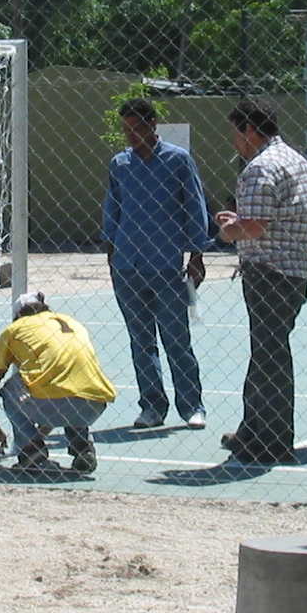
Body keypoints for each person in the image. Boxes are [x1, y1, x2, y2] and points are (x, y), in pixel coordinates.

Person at [214, 97, 307, 465]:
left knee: (270, 355)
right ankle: (253, 430)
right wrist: (239, 220)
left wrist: (229, 231)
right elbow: (272, 215)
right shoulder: (295, 160)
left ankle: (272, 440)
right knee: (266, 351)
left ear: (250, 130)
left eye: (235, 133)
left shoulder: (260, 168)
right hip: (292, 271)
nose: (234, 142)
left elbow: (255, 227)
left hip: (268, 272)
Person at [101, 98, 212, 430]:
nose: (132, 136)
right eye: (127, 130)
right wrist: (111, 253)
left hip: (167, 265)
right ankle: (151, 407)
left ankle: (192, 406)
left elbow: (195, 206)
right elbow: (112, 209)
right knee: (141, 340)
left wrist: (197, 254)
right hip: (126, 266)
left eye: (137, 128)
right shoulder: (120, 164)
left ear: (153, 125)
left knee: (177, 338)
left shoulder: (178, 161)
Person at [0, 291, 116, 476]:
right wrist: (41, 433)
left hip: (51, 401)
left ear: (18, 314)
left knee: (11, 388)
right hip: (95, 403)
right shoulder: (72, 322)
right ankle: (83, 447)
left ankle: (30, 451)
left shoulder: (14, 330)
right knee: (70, 381)